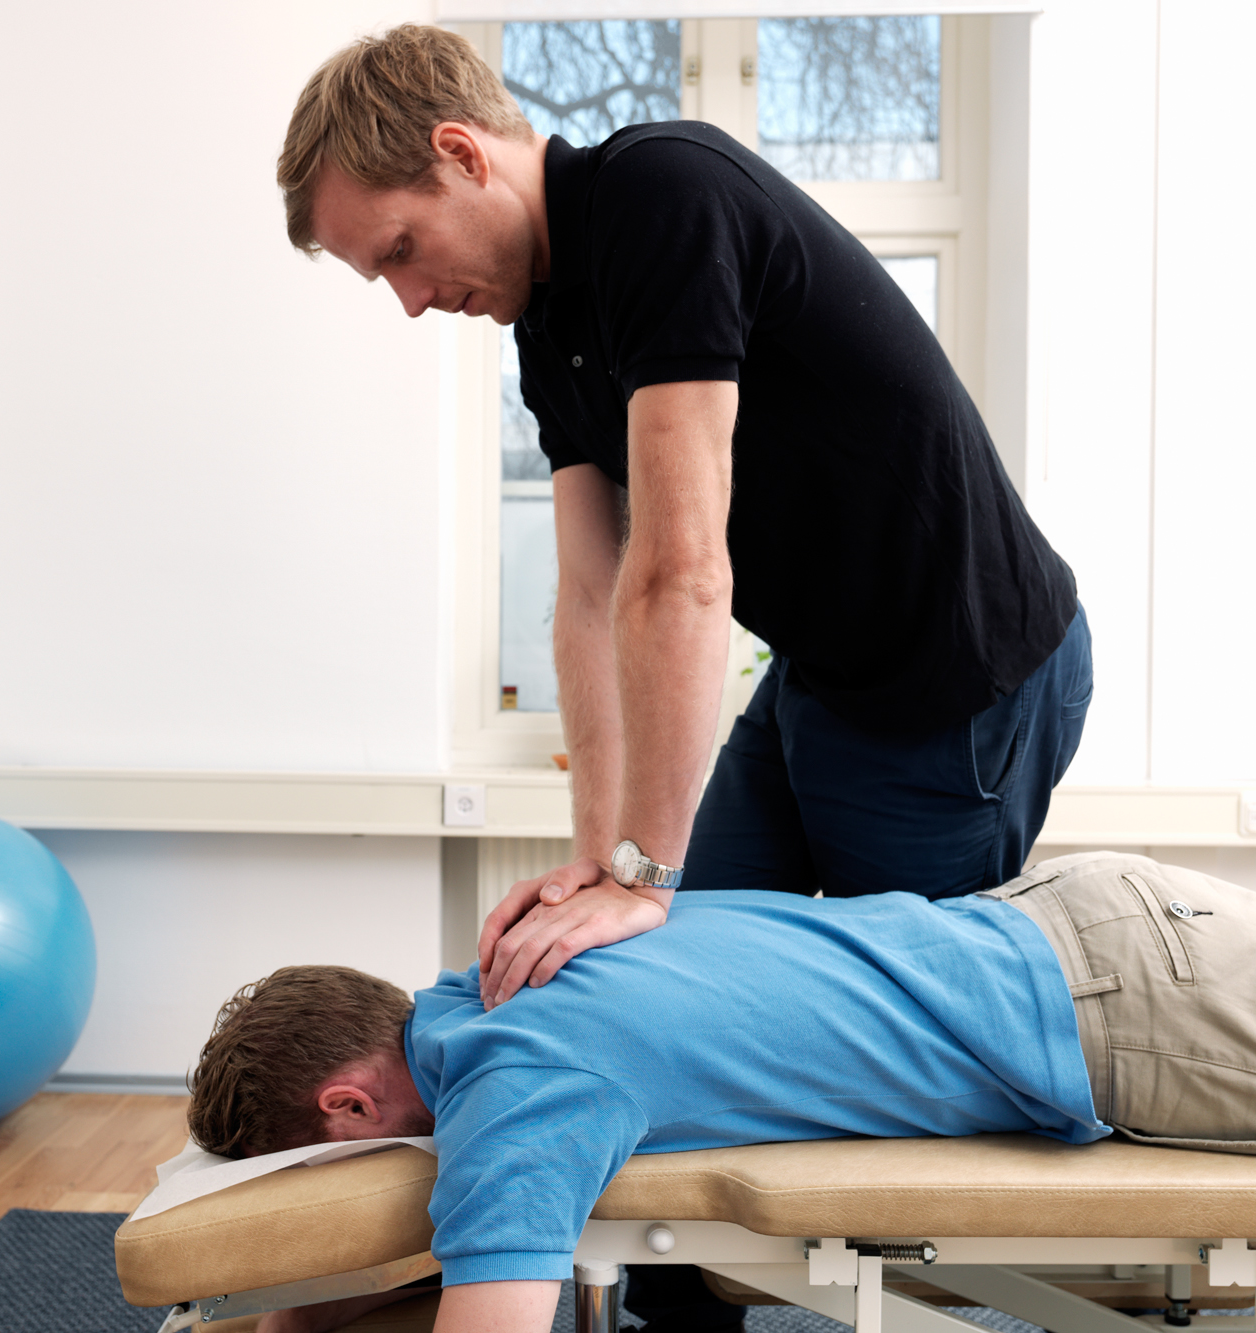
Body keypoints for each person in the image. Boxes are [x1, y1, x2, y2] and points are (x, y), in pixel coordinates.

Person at [278, 25, 1092, 1025]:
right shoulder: (543, 327)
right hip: (823, 674)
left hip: (958, 677)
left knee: (895, 1033)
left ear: (461, 154)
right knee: (664, 975)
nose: (409, 302)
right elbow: (589, 594)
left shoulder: (658, 197)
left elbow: (681, 571)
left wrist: (641, 872)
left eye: (401, 250)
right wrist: (600, 859)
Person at [189, 852, 1256, 1333]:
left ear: (350, 1107)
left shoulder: (517, 1084)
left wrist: (294, 1312)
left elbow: (493, 1315)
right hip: (1102, 913)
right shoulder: (523, 957)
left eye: (309, 1160)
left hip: (1161, 1023)